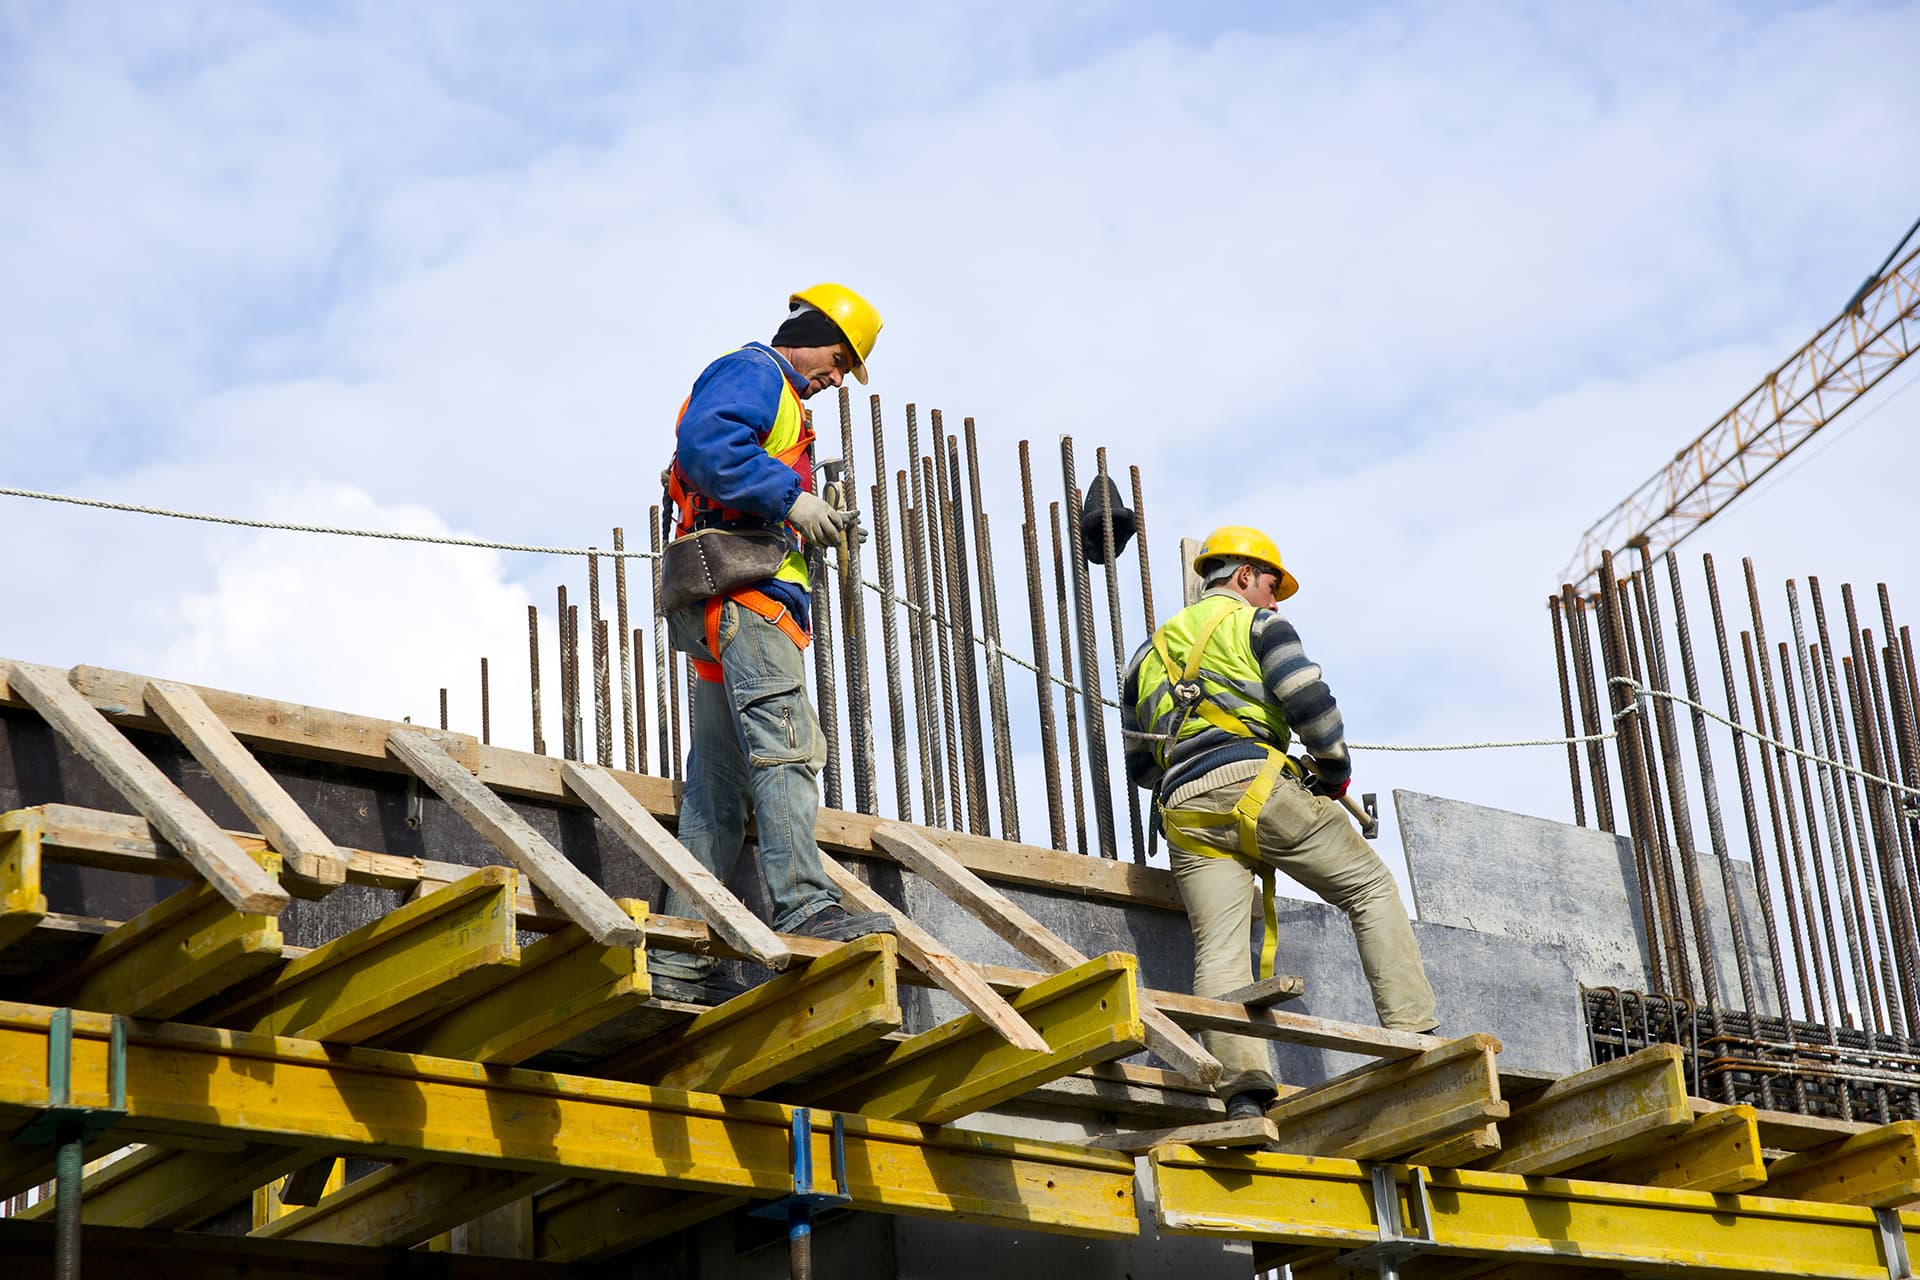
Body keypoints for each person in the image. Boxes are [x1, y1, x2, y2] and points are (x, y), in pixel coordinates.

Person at [1121, 525, 1438, 1118]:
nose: (1274, 599)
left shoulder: (1144, 656)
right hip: (1259, 786)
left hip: (1184, 810)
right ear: (1243, 577)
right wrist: (1334, 772)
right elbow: (1310, 703)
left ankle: (1242, 1092)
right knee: (1370, 888)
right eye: (1270, 585)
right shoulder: (1258, 624)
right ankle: (1417, 1037)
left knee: (1219, 948)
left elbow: (1140, 763)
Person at [650, 284, 895, 1003]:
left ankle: (678, 956)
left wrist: (802, 511)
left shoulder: (783, 399)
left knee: (718, 792)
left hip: (725, 604)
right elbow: (707, 447)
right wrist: (792, 500)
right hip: (747, 602)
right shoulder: (757, 372)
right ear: (810, 332)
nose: (839, 377)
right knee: (789, 747)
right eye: (840, 358)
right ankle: (806, 905)